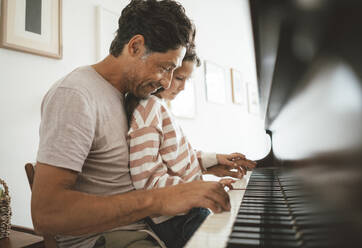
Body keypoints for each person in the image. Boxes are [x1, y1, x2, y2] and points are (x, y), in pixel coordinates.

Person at [31, 1, 250, 248]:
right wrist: (161, 198)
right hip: (112, 238)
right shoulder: (75, 95)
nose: (167, 83)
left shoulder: (131, 96)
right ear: (135, 46)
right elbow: (47, 214)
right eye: (165, 68)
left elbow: (143, 161)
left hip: (153, 227)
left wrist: (207, 163)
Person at [126, 46, 256, 247]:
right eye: (179, 78)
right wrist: (200, 189)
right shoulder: (148, 109)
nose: (183, 86)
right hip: (176, 218)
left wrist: (214, 159)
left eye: (187, 79)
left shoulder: (158, 107)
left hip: (186, 210)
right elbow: (147, 181)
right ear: (163, 71)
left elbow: (176, 156)